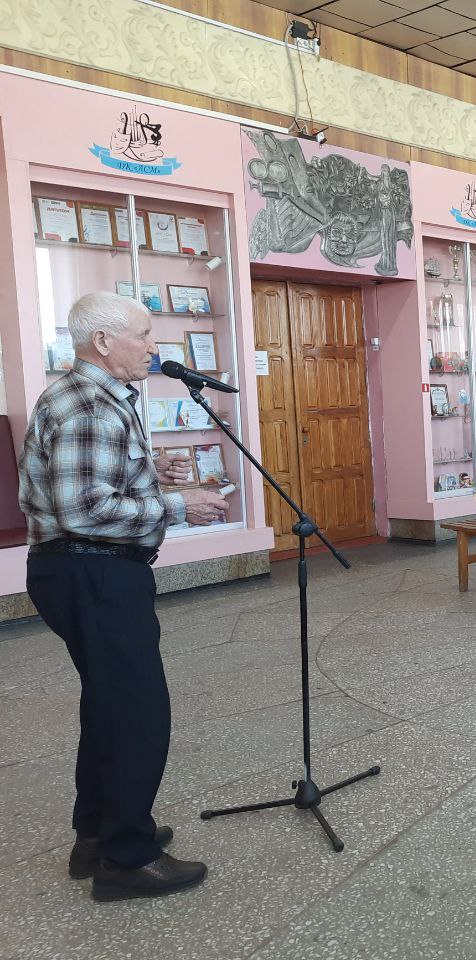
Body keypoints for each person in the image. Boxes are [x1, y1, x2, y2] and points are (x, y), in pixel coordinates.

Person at [18, 292, 228, 901]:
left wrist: (149, 475)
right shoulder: (87, 403)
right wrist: (177, 505)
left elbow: (91, 484)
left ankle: (96, 836)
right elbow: (84, 510)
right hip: (93, 571)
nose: (154, 348)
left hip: (89, 570)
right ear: (103, 341)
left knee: (109, 707)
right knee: (138, 714)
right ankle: (127, 859)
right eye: (143, 335)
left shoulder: (101, 395)